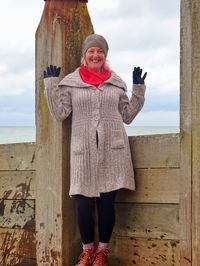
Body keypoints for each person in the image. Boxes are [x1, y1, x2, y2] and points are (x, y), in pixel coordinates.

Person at [43, 34, 147, 266]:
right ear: (84, 55)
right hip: (84, 153)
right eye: (91, 51)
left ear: (105, 55)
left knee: (106, 205)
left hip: (113, 153)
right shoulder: (71, 83)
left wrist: (138, 90)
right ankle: (87, 251)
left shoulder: (117, 83)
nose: (95, 55)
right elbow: (60, 114)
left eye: (100, 51)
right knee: (82, 205)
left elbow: (128, 116)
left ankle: (102, 252)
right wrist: (50, 86)